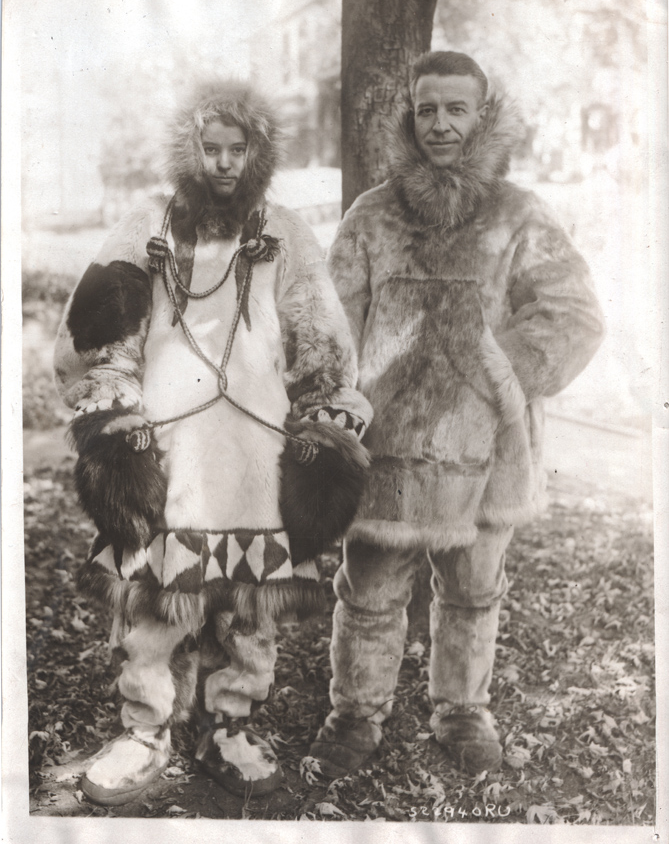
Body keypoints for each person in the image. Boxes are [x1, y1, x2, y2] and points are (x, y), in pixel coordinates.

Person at [53, 79, 372, 806]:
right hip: (167, 449)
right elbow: (95, 335)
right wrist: (116, 417)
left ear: (257, 153)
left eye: (239, 150)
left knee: (247, 608)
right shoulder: (148, 226)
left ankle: (229, 724)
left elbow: (322, 340)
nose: (225, 164)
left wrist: (322, 423)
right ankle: (145, 730)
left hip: (254, 454)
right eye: (211, 148)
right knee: (154, 604)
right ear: (188, 149)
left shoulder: (284, 231)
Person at [308, 50, 605, 778]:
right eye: (426, 108)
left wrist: (501, 373)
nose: (439, 124)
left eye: (454, 108)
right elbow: (327, 325)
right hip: (386, 450)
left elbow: (574, 315)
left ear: (482, 115)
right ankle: (353, 715)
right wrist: (334, 403)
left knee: (474, 590)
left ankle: (462, 711)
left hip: (486, 449)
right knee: (369, 591)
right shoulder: (372, 215)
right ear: (410, 115)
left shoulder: (519, 214)